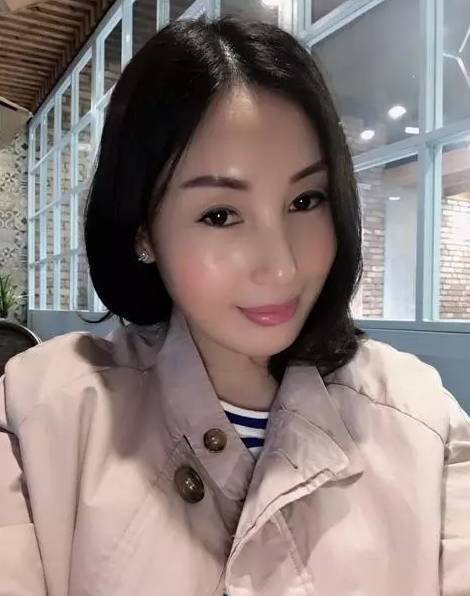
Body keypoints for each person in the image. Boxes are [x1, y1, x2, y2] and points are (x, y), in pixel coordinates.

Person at [1, 16, 469, 596]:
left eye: (306, 200)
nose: (282, 267)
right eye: (220, 215)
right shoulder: (39, 419)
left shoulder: (424, 423)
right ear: (144, 231)